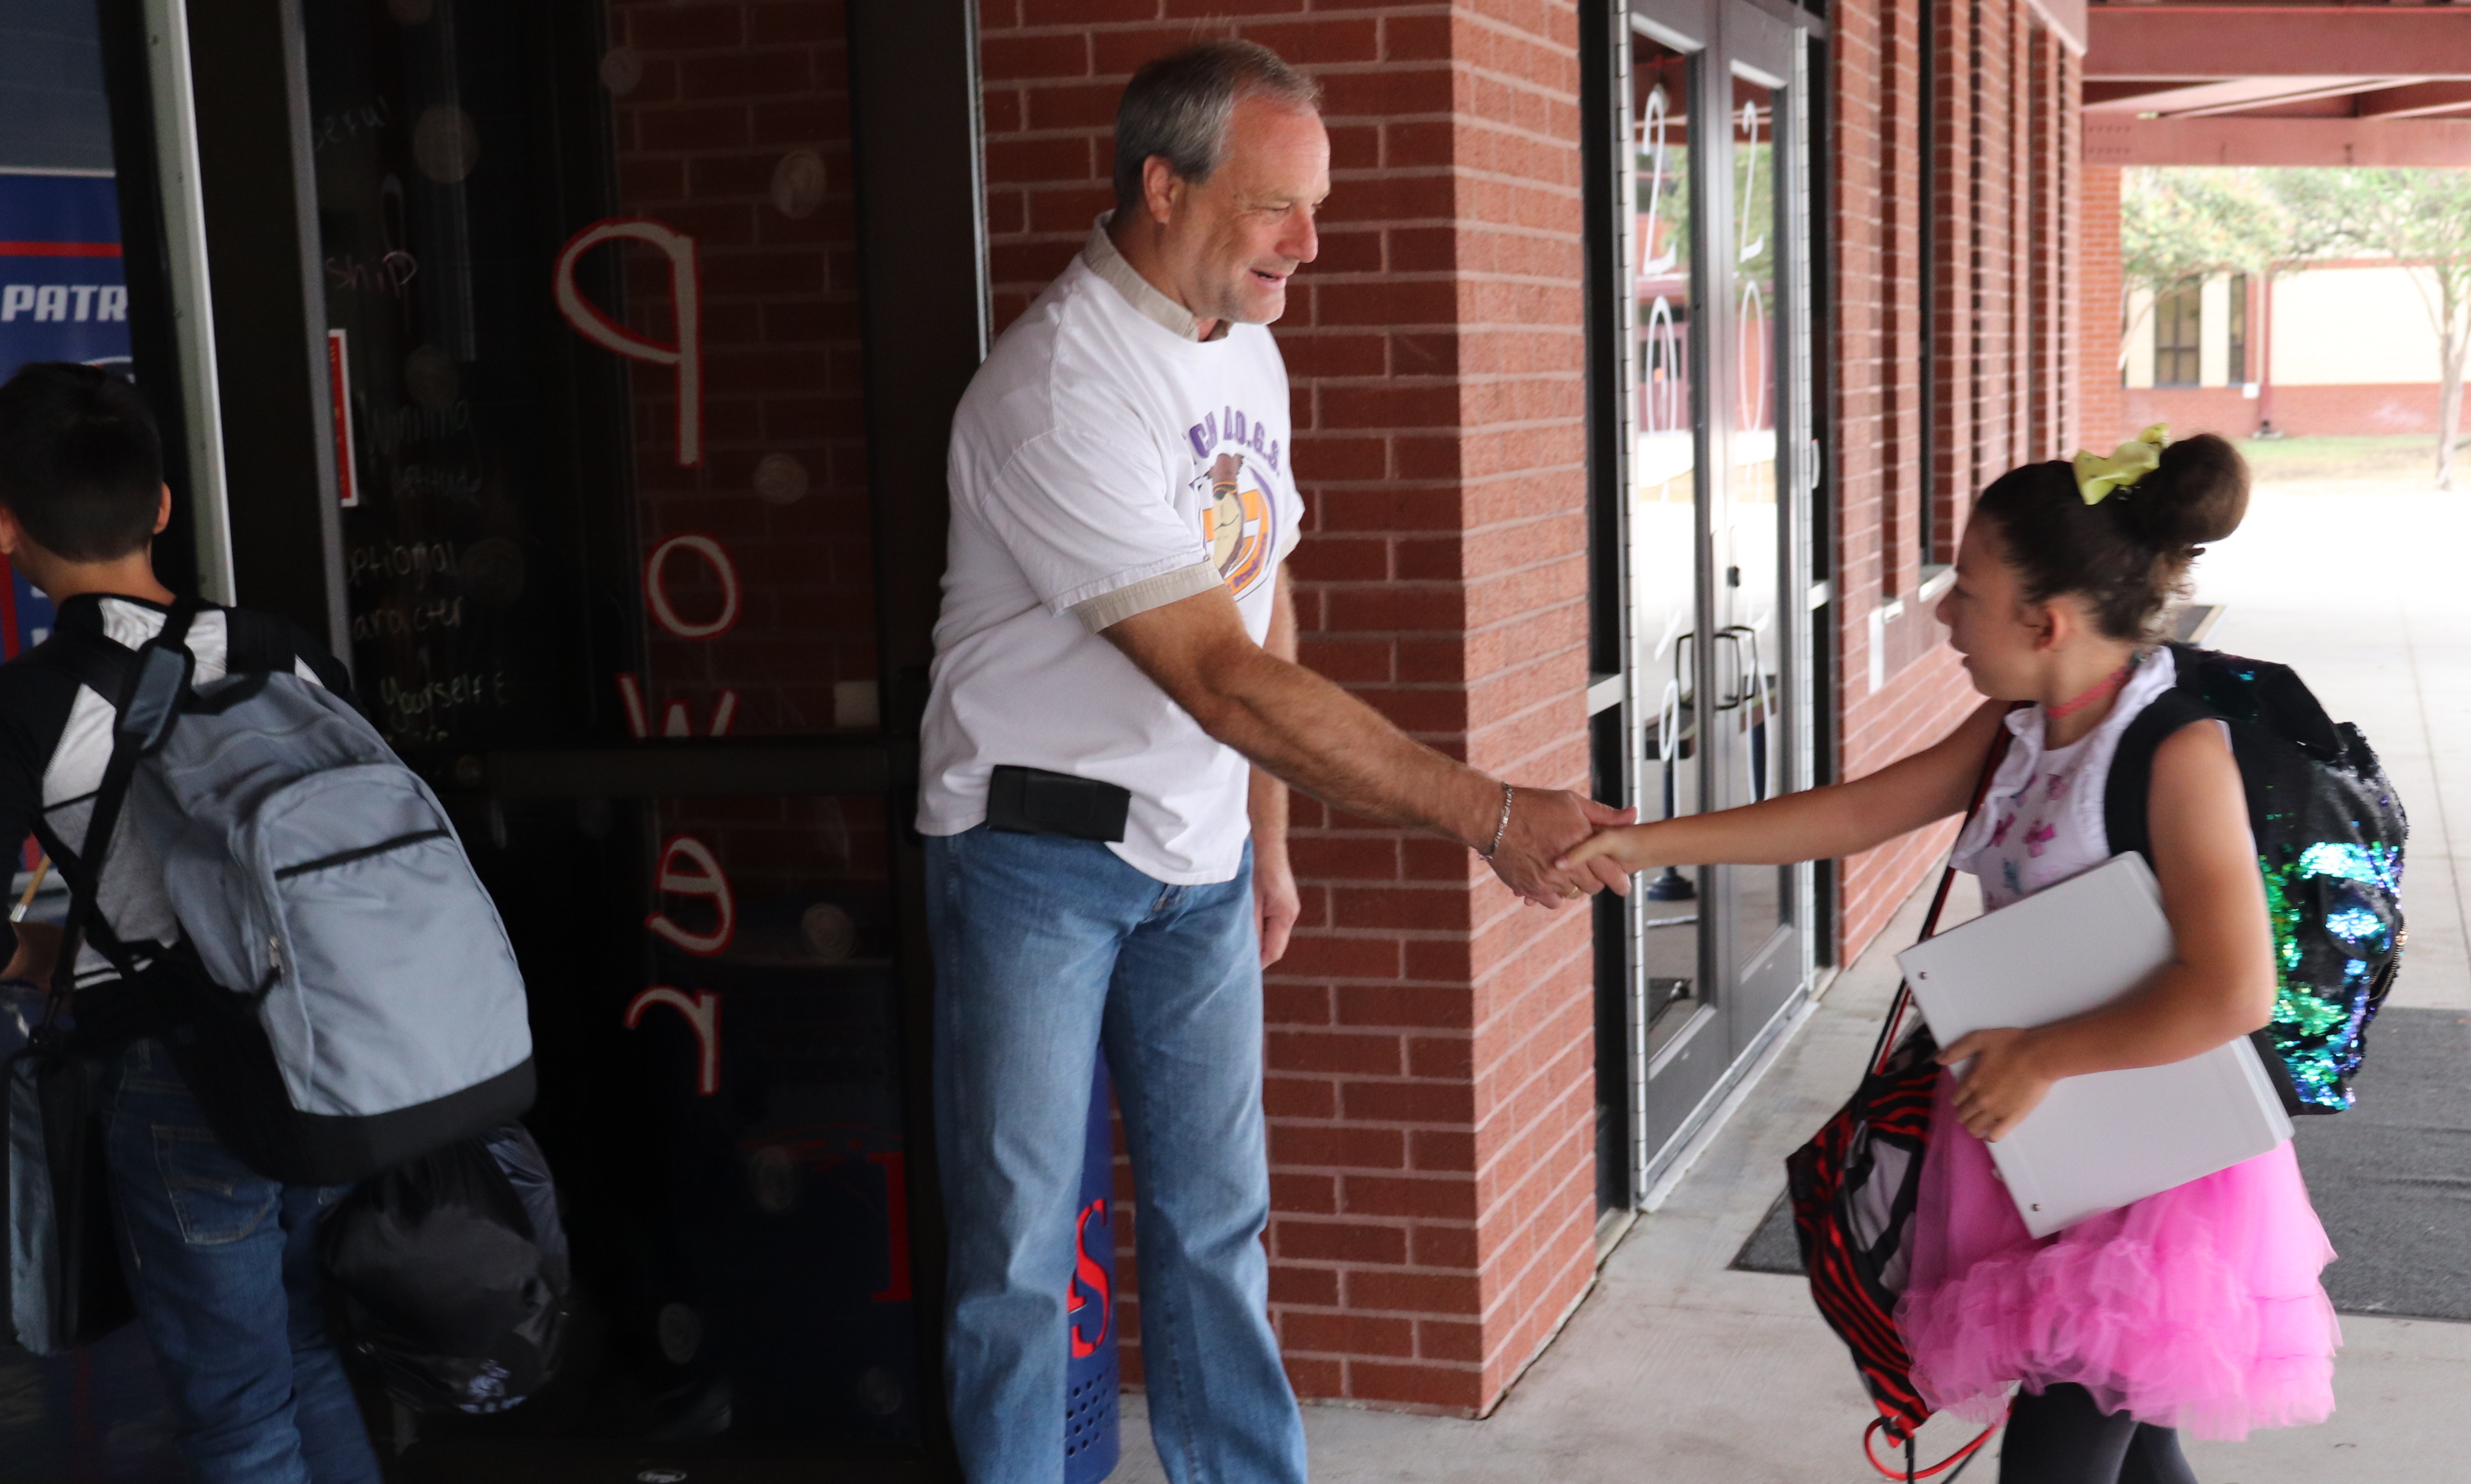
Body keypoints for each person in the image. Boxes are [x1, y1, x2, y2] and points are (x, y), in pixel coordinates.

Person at [918, 39, 1630, 1483]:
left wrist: (1269, 842)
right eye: (1275, 208)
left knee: (1217, 1231)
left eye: (1316, 208)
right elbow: (1220, 674)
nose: (1308, 244)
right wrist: (1486, 812)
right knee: (1020, 1256)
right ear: (1163, 188)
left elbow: (1259, 584)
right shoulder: (1058, 389)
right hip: (1035, 861)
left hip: (1200, 862)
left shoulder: (1241, 336)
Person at [1566, 433, 2340, 1484]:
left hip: (2149, 1182)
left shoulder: (2174, 751)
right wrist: (1642, 845)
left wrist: (2043, 1055)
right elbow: (1856, 813)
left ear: (2044, 621)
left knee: (2063, 1459)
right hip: (2052, 1150)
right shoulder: (2023, 726)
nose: (1941, 613)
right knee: (2138, 1453)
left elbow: (2233, 990)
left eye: (1965, 593)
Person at [0, 362, 379, 1484]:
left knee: (236, 1413)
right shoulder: (286, 653)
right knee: (309, 1350)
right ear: (164, 505)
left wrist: (40, 954)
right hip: (326, 1050)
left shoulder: (29, 705)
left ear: (7, 528)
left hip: (175, 1080)